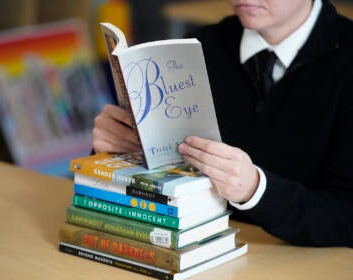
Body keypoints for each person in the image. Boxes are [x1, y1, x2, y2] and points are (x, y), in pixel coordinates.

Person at [93, 0, 353, 247]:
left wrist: (256, 190)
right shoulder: (196, 49)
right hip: (197, 248)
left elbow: (345, 216)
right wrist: (113, 151)